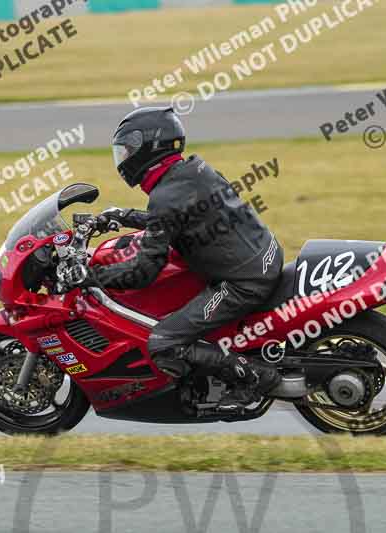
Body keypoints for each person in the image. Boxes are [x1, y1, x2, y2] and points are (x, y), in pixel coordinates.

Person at [83, 106, 283, 411]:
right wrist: (122, 216)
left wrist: (93, 277)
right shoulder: (194, 170)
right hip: (263, 256)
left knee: (164, 343)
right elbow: (174, 219)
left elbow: (145, 270)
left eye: (126, 151)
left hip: (243, 283)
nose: (123, 159)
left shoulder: (165, 197)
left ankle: (259, 378)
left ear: (147, 148)